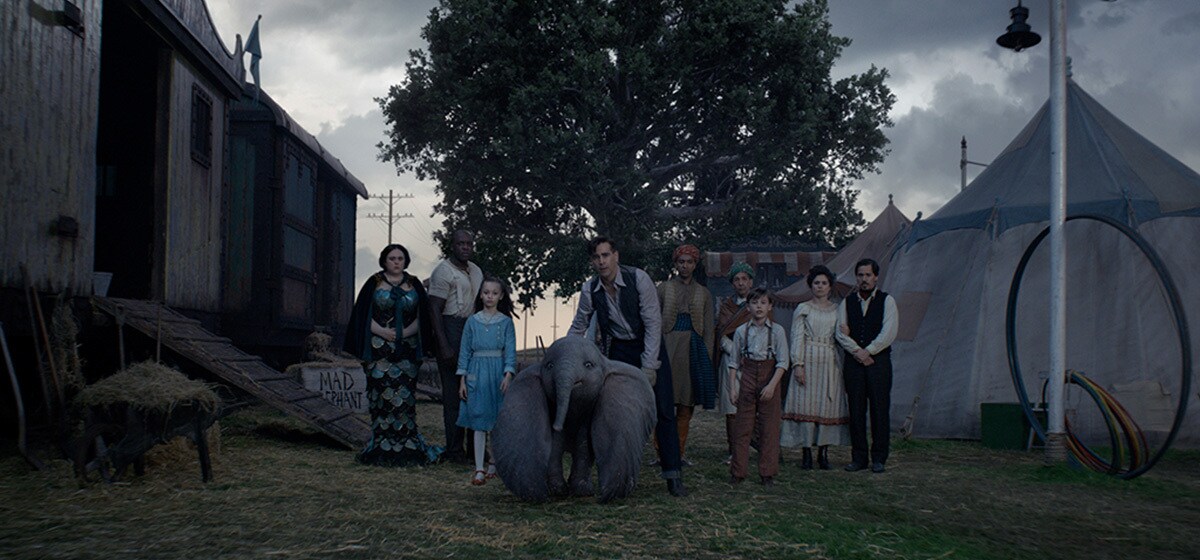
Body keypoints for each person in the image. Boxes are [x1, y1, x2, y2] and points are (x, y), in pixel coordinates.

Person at [567, 236, 687, 497]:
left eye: (606, 255)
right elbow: (578, 327)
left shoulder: (639, 279)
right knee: (618, 414)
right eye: (597, 257)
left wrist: (649, 366)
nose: (602, 261)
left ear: (616, 256)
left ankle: (673, 477)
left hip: (649, 346)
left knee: (663, 410)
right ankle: (619, 476)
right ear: (592, 261)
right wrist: (565, 355)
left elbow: (654, 324)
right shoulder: (589, 290)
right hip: (619, 349)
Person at [343, 244, 443, 466]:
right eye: (392, 258)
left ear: (405, 261)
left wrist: (404, 333)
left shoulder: (414, 284)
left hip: (407, 350)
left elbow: (424, 316)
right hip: (378, 349)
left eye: (400, 258)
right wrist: (383, 332)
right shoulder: (374, 283)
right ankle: (382, 445)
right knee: (381, 397)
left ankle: (406, 446)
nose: (396, 262)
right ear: (384, 261)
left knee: (405, 400)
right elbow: (362, 313)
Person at [781, 265, 850, 470]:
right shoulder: (804, 308)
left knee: (826, 405)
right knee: (806, 404)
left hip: (830, 360)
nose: (820, 287)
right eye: (816, 283)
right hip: (808, 358)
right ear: (811, 285)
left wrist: (847, 331)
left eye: (824, 283)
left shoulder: (838, 309)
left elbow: (840, 338)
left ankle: (824, 452)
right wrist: (798, 364)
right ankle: (806, 453)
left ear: (830, 287)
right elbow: (796, 337)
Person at [835, 258, 898, 474]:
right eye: (860, 275)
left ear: (876, 277)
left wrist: (868, 351)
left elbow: (888, 333)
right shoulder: (847, 302)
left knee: (880, 410)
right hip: (854, 364)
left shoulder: (887, 301)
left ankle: (879, 458)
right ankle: (859, 458)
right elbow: (840, 333)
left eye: (868, 275)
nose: (864, 279)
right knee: (856, 411)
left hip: (878, 364)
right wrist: (858, 352)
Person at [428, 229, 484, 463]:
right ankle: (454, 450)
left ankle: (475, 449)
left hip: (471, 329)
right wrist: (444, 346)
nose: (465, 247)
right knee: (453, 396)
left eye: (469, 243)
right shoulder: (443, 271)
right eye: (461, 243)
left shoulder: (476, 270)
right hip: (449, 328)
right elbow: (434, 310)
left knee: (475, 394)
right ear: (453, 245)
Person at [456, 277, 518, 486]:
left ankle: (494, 462)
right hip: (476, 371)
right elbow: (464, 351)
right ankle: (479, 468)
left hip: (497, 373)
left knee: (497, 420)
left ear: (501, 296)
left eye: (494, 293)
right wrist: (463, 380)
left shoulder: (506, 322)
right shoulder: (472, 322)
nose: (489, 296)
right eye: (486, 292)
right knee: (479, 419)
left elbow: (510, 350)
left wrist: (508, 374)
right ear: (480, 294)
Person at [657, 244, 715, 463]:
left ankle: (679, 452)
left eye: (689, 262)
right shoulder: (663, 288)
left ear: (695, 264)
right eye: (681, 261)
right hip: (668, 346)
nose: (685, 266)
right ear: (676, 263)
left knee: (686, 404)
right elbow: (653, 321)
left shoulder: (704, 293)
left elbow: (709, 328)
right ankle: (660, 451)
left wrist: (706, 356)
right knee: (663, 402)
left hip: (693, 348)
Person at [727, 288, 788, 486]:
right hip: (748, 376)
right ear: (748, 306)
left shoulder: (777, 331)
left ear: (770, 306)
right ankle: (738, 472)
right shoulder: (741, 331)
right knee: (742, 427)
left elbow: (783, 362)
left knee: (769, 427)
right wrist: (733, 388)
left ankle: (767, 473)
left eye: (763, 303)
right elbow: (734, 363)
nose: (759, 307)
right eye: (755, 303)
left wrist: (771, 386)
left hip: (770, 376)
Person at [715, 262, 755, 463]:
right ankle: (733, 451)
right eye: (737, 280)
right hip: (730, 361)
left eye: (744, 279)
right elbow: (721, 335)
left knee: (751, 407)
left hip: (754, 362)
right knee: (731, 408)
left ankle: (754, 446)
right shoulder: (726, 307)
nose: (741, 283)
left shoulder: (759, 304)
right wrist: (735, 352)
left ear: (751, 281)